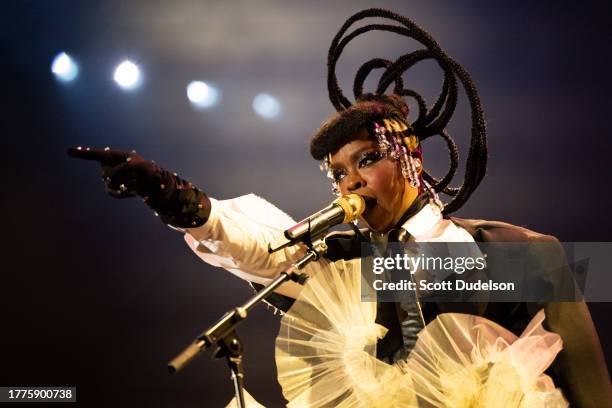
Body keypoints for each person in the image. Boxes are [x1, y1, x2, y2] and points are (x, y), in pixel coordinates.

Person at [69, 8, 611, 407]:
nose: (350, 181)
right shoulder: (338, 262)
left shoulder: (508, 251)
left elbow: (590, 380)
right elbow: (258, 246)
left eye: (366, 160)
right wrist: (166, 191)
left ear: (411, 156)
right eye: (337, 174)